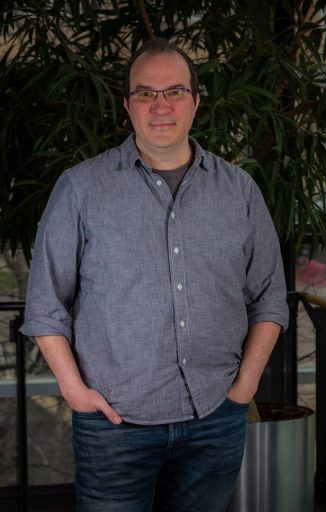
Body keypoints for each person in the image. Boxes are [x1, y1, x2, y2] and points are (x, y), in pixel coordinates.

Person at [21, 38, 288, 511]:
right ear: (127, 106)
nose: (160, 106)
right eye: (145, 93)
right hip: (114, 425)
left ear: (195, 101)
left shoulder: (239, 190)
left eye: (175, 92)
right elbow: (45, 306)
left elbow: (269, 298)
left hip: (215, 418)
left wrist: (242, 389)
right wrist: (75, 393)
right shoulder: (81, 188)